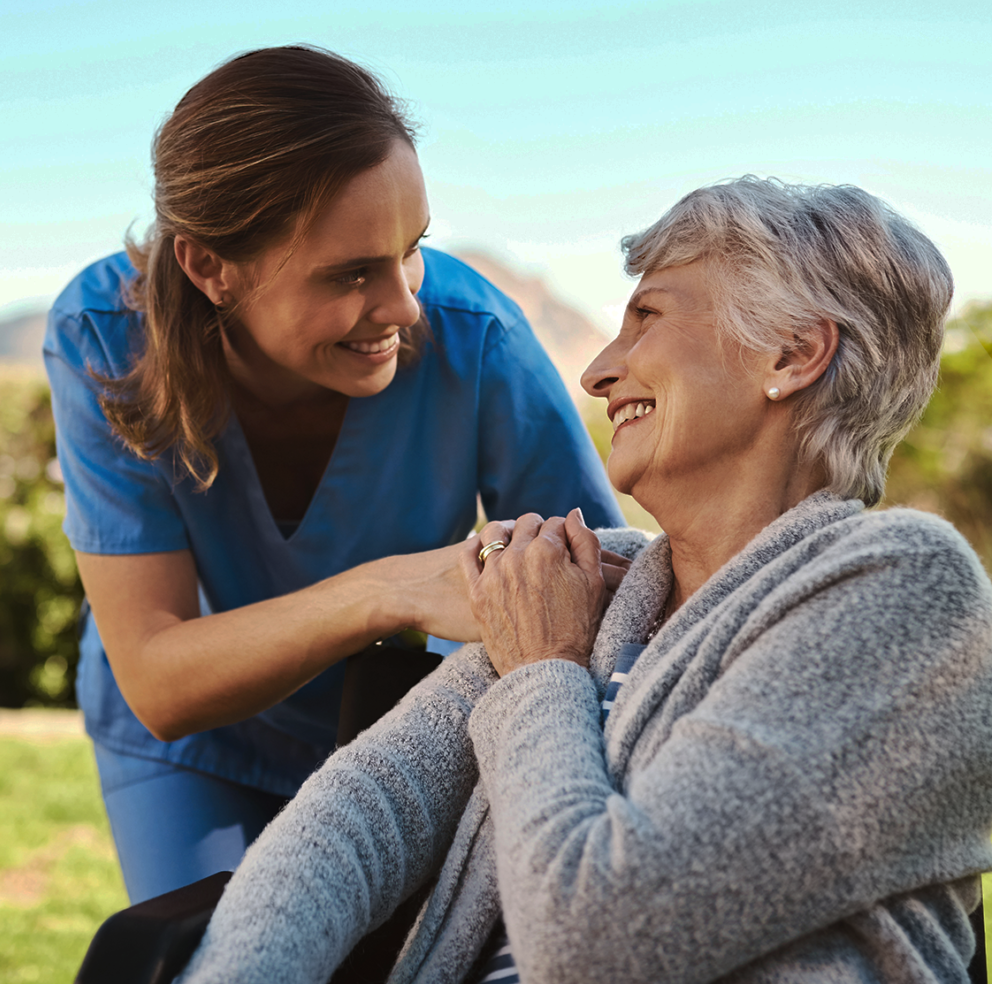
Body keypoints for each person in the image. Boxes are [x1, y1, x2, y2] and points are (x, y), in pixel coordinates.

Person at [176, 177, 992, 984]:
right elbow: (362, 815)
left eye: (647, 317)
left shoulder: (905, 590)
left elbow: (601, 945)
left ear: (792, 353)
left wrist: (543, 669)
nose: (599, 371)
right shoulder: (598, 580)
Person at [43, 45, 622, 903]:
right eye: (351, 273)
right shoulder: (101, 339)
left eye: (411, 249)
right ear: (210, 267)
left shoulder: (478, 336)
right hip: (188, 748)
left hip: (396, 728)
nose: (404, 307)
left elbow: (598, 585)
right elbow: (159, 676)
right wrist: (386, 590)